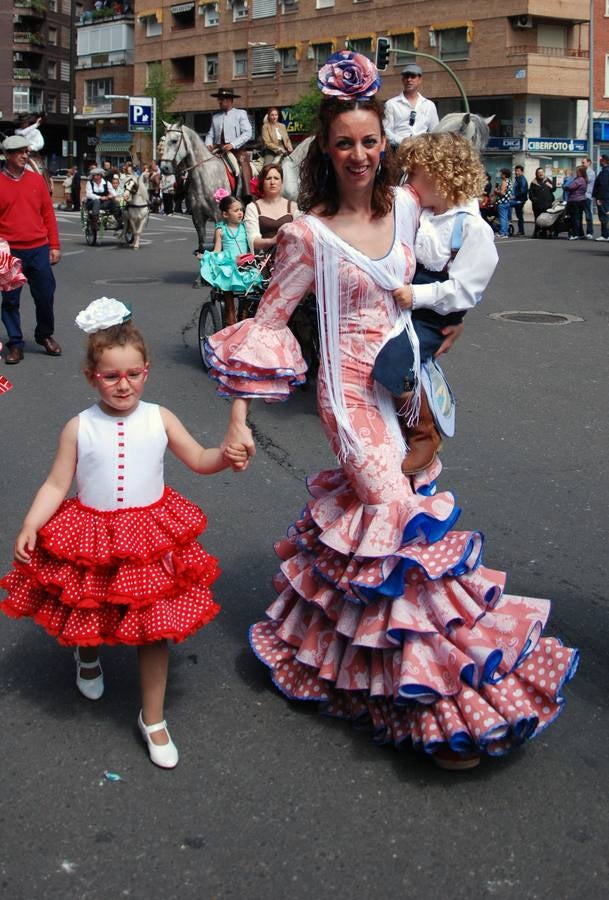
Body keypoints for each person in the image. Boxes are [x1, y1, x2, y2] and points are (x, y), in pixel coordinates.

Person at [205, 51, 578, 770]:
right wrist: (237, 423)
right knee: (399, 520)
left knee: (382, 529)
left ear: (386, 146)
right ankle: (441, 707)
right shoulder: (305, 234)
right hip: (347, 398)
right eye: (343, 142)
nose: (357, 154)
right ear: (325, 148)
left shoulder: (410, 206)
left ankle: (316, 655)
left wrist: (448, 324)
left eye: (369, 141)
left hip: (403, 385)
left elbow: (461, 259)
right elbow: (269, 322)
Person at [0, 297, 247, 769]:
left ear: (146, 371)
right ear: (92, 376)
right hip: (90, 531)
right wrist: (31, 523)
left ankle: (152, 718)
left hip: (148, 538)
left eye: (133, 373)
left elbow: (198, 459)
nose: (123, 384)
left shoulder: (161, 417)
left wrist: (227, 455)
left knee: (153, 629)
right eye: (111, 375)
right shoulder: (79, 427)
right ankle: (87, 656)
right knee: (89, 605)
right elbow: (57, 483)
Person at [372, 132, 498, 474]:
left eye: (414, 174)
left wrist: (418, 295)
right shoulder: (425, 215)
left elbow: (465, 290)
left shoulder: (472, 229)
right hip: (408, 301)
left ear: (440, 176)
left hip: (431, 313)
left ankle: (423, 431)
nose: (407, 181)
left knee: (394, 361)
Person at [0, 134, 62, 365]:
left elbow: (48, 215)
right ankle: (15, 344)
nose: (25, 156)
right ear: (7, 155)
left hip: (38, 248)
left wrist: (54, 245)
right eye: (19, 152)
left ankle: (44, 335)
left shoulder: (36, 181)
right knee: (10, 300)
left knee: (45, 296)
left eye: (26, 151)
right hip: (9, 251)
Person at [200, 194, 262, 326]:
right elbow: (217, 249)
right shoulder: (221, 229)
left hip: (244, 263)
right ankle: (230, 312)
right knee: (226, 278)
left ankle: (244, 312)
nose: (240, 213)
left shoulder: (245, 228)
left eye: (241, 210)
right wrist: (207, 256)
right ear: (225, 214)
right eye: (236, 211)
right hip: (229, 263)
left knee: (251, 281)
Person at [206, 88, 254, 197]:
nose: (219, 101)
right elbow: (210, 134)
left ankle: (247, 195)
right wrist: (208, 144)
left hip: (236, 150)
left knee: (243, 164)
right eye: (219, 99)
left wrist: (233, 144)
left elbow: (248, 132)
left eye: (221, 99)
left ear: (229, 100)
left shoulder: (240, 114)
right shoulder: (215, 117)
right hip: (218, 148)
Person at [244, 164, 299, 253]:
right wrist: (272, 240)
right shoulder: (252, 207)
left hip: (291, 257)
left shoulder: (293, 206)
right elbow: (253, 240)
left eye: (276, 178)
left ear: (282, 182)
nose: (272, 182)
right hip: (265, 259)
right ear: (262, 182)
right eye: (268, 178)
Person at [382, 63, 439, 149]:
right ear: (402, 80)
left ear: (420, 80)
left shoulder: (429, 105)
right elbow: (386, 131)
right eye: (406, 76)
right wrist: (404, 142)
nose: (409, 80)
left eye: (413, 76)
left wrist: (423, 144)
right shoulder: (391, 104)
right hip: (398, 151)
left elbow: (436, 132)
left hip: (422, 152)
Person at [528, 167, 555, 237]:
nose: (541, 174)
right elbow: (530, 194)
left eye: (542, 172)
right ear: (536, 174)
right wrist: (535, 200)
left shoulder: (547, 180)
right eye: (539, 172)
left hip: (547, 204)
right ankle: (536, 232)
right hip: (537, 206)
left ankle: (547, 232)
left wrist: (550, 186)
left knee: (547, 219)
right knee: (537, 219)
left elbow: (554, 189)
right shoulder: (533, 183)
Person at [564, 165, 587, 240]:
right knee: (579, 218)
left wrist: (565, 186)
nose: (576, 172)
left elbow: (570, 187)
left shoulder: (579, 179)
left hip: (575, 201)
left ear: (580, 172)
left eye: (577, 171)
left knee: (575, 218)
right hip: (581, 200)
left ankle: (575, 234)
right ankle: (581, 234)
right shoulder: (583, 179)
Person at [592, 154, 609, 241]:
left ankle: (605, 235)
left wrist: (599, 199)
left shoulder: (606, 172)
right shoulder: (603, 171)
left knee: (604, 217)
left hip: (604, 199)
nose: (599, 161)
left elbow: (604, 186)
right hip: (604, 198)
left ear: (605, 161)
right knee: (604, 216)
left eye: (601, 160)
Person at [494, 167, 514, 239]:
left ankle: (502, 233)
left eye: (501, 173)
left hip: (502, 202)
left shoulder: (504, 182)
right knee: (505, 218)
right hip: (507, 202)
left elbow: (502, 193)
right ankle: (505, 232)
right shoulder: (510, 181)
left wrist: (496, 191)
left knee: (502, 218)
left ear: (504, 175)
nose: (500, 175)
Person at [511, 164, 528, 236]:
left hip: (519, 200)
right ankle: (520, 230)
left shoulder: (522, 179)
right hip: (517, 199)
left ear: (522, 171)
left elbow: (523, 190)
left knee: (519, 215)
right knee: (519, 215)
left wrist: (514, 196)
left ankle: (521, 231)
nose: (516, 172)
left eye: (518, 171)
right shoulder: (518, 179)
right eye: (515, 171)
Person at [582, 156, 595, 239]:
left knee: (588, 215)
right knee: (578, 215)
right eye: (582, 163)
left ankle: (590, 232)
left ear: (589, 163)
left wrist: (581, 175)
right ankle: (580, 233)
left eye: (583, 162)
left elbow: (586, 180)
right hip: (579, 196)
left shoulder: (591, 172)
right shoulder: (582, 172)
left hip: (587, 196)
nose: (582, 164)